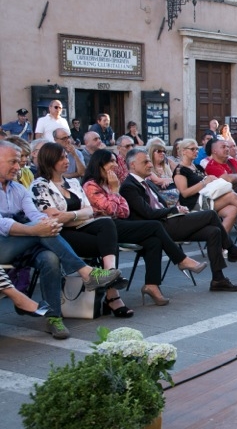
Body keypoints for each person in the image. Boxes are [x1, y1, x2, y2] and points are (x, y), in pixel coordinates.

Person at [0, 140, 122, 339]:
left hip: (25, 242)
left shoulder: (18, 189)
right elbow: (2, 224)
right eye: (12, 161)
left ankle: (53, 317)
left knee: (51, 258)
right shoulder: (38, 185)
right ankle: (86, 272)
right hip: (3, 244)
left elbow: (35, 215)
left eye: (19, 161)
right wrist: (36, 229)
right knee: (43, 229)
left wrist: (46, 224)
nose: (18, 166)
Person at [121, 147, 237, 292]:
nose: (150, 165)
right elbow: (148, 213)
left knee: (214, 231)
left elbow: (160, 206)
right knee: (211, 215)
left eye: (149, 161)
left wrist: (176, 208)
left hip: (170, 221)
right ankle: (233, 250)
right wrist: (173, 210)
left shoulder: (147, 183)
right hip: (158, 227)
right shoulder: (129, 186)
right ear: (133, 165)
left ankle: (218, 279)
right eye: (145, 162)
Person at [83, 149, 207, 307]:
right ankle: (181, 260)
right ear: (99, 165)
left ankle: (152, 285)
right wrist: (115, 192)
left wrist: (114, 192)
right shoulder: (91, 185)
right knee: (155, 226)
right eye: (110, 162)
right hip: (103, 229)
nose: (115, 165)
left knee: (153, 241)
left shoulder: (110, 184)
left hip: (117, 224)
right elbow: (112, 210)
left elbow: (124, 211)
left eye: (115, 161)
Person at [31, 142, 133, 318]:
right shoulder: (39, 186)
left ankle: (110, 274)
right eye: (62, 158)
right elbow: (53, 218)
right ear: (49, 160)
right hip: (58, 235)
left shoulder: (72, 182)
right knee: (109, 243)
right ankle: (112, 293)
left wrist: (70, 216)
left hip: (80, 228)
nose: (67, 161)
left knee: (107, 224)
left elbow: (90, 210)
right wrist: (78, 215)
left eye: (66, 157)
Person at [172, 138, 237, 252]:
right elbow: (184, 193)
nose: (196, 151)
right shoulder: (180, 170)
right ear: (183, 151)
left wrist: (210, 181)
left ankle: (218, 245)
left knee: (233, 210)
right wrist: (204, 182)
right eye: (192, 149)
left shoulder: (197, 167)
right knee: (232, 196)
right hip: (193, 204)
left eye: (197, 149)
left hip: (206, 199)